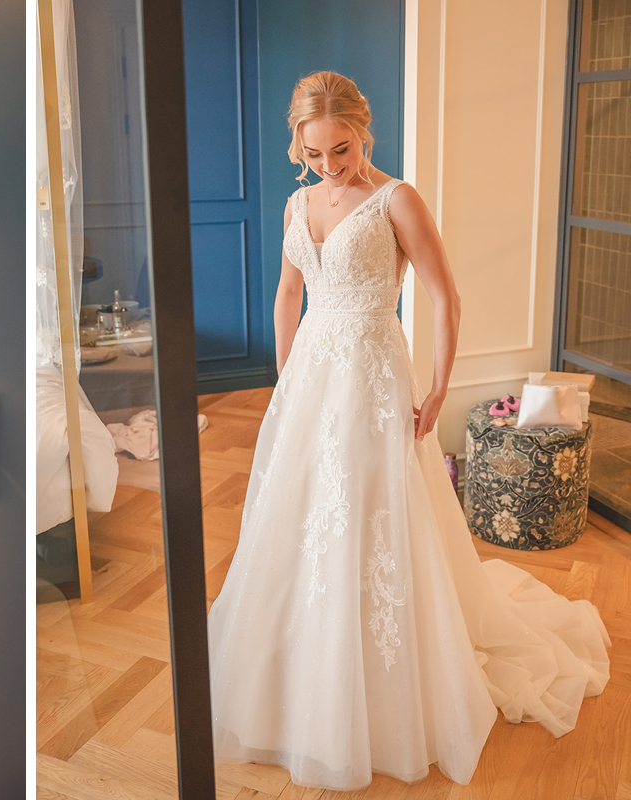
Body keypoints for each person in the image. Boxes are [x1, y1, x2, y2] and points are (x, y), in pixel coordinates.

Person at [205, 72, 610, 791]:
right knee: (300, 519)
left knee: (373, 510)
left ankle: (387, 678)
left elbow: (445, 296)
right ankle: (304, 670)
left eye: (342, 147)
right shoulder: (299, 201)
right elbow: (289, 293)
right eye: (314, 152)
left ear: (364, 130)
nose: (329, 165)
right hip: (312, 379)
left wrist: (441, 388)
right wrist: (284, 379)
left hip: (372, 375)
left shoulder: (397, 199)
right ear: (297, 145)